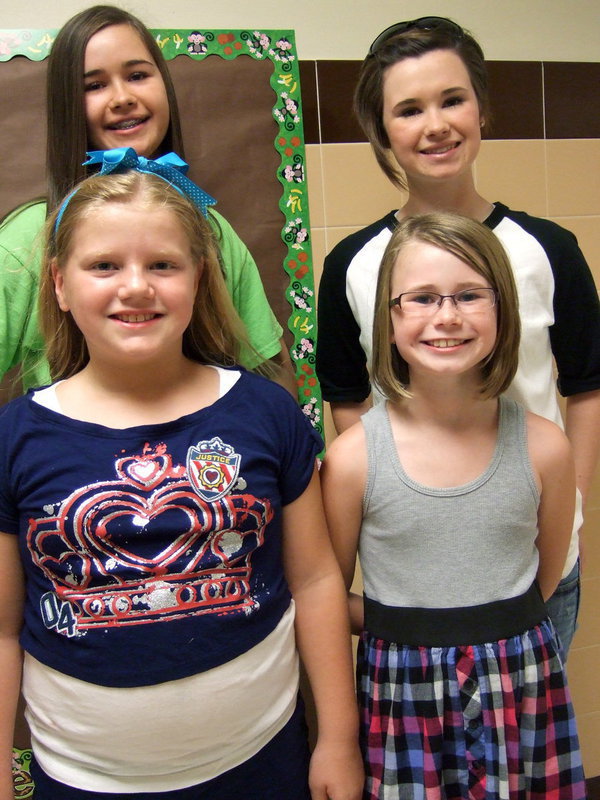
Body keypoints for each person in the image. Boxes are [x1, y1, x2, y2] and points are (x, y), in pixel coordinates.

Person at [0, 154, 363, 800]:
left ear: (199, 277)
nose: (136, 286)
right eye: (104, 265)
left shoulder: (266, 413)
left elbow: (315, 580)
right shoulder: (14, 437)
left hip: (262, 761)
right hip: (84, 780)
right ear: (59, 284)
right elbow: (2, 629)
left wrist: (338, 738)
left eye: (163, 265)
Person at [316, 15, 600, 658]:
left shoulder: (548, 249)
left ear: (482, 108)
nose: (435, 124)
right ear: (381, 130)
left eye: (452, 99)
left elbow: (587, 387)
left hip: (532, 550)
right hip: (414, 569)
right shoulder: (354, 265)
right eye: (409, 109)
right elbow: (348, 400)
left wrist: (569, 500)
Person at [321, 211, 586, 799]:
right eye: (421, 298)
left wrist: (482, 631)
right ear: (389, 319)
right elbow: (326, 598)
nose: (447, 317)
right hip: (401, 697)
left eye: (469, 295)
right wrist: (412, 628)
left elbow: (542, 578)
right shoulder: (353, 459)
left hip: (523, 688)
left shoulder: (546, 447)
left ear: (503, 310)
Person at [0, 4, 294, 394]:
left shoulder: (210, 227)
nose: (122, 97)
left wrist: (281, 429)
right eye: (94, 85)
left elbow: (271, 368)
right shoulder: (27, 239)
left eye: (137, 75)